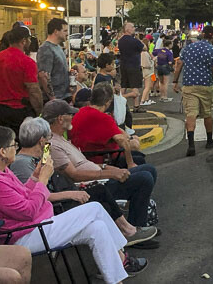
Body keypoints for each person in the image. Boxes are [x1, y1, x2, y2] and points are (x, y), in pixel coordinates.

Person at [0, 126, 147, 283]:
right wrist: (42, 180)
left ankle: (116, 280)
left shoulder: (1, 170)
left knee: (97, 228)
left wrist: (34, 177)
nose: (16, 148)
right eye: (13, 145)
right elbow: (28, 211)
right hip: (26, 234)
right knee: (95, 207)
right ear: (2, 152)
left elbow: (24, 195)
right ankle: (122, 253)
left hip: (38, 225)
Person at [9, 116, 158, 247]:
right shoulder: (22, 163)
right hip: (55, 206)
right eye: (48, 139)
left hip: (65, 192)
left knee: (100, 191)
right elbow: (34, 195)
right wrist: (72, 192)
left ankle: (128, 230)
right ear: (41, 141)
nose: (50, 142)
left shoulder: (40, 155)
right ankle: (128, 231)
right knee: (102, 193)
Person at [43, 100, 157, 232]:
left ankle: (137, 220)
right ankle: (135, 228)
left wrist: (106, 167)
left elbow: (83, 163)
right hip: (90, 185)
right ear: (60, 119)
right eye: (70, 114)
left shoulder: (60, 138)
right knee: (144, 178)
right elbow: (73, 175)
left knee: (149, 170)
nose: (72, 117)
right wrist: (110, 174)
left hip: (98, 176)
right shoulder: (51, 144)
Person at [173, 25, 213, 157]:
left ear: (202, 34)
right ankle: (209, 140)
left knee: (191, 114)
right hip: (206, 85)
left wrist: (175, 81)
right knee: (207, 113)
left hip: (189, 85)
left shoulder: (188, 48)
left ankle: (191, 145)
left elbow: (179, 64)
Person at [70, 82, 147, 169]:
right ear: (108, 102)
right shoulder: (103, 118)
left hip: (84, 157)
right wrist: (130, 163)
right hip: (105, 159)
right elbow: (121, 139)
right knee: (140, 161)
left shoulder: (79, 113)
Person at [0, 27, 41, 137]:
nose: (29, 42)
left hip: (0, 110)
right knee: (23, 144)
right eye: (28, 39)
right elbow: (33, 90)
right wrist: (38, 111)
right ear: (23, 41)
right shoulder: (27, 62)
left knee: (4, 142)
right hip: (20, 110)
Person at [37, 18, 70, 103]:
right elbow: (43, 76)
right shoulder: (46, 49)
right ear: (56, 31)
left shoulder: (58, 47)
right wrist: (52, 98)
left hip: (63, 96)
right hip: (55, 99)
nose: (67, 34)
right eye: (65, 31)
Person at [117, 22, 145, 113]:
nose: (134, 29)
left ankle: (119, 102)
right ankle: (136, 105)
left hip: (123, 65)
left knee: (124, 84)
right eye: (132, 27)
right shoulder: (134, 40)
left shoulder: (120, 41)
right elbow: (144, 47)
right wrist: (137, 37)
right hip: (134, 65)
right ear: (128, 30)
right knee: (135, 86)